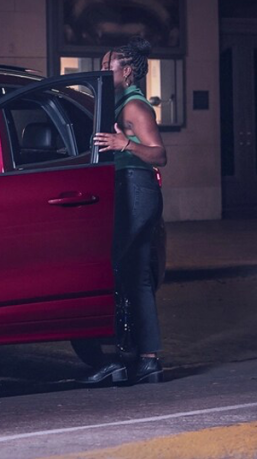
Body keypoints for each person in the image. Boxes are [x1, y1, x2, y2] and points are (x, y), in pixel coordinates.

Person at [79, 36, 168, 386]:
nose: (102, 70)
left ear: (127, 71)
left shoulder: (135, 107)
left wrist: (124, 144)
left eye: (107, 66)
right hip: (129, 189)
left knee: (112, 268)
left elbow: (160, 154)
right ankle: (148, 361)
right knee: (135, 276)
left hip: (136, 189)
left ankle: (113, 357)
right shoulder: (117, 104)